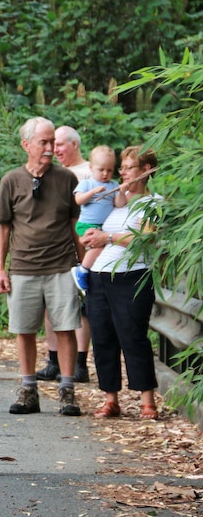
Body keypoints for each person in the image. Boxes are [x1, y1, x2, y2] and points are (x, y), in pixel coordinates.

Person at [0, 116, 84, 416]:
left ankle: (67, 390)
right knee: (24, 330)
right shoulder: (11, 180)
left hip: (61, 265)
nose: (49, 148)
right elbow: (3, 227)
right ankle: (28, 389)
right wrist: (1, 268)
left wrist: (84, 265)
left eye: (52, 142)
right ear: (26, 145)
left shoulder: (66, 179)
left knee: (66, 327)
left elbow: (76, 225)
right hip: (23, 267)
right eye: (43, 142)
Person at [81, 146, 160, 420]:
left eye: (129, 167)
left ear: (147, 171)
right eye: (122, 167)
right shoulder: (115, 199)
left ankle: (147, 400)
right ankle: (110, 398)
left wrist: (108, 238)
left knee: (133, 336)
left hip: (133, 275)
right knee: (102, 337)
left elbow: (145, 237)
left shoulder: (154, 203)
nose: (123, 172)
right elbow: (89, 221)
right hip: (99, 275)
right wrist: (91, 236)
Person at [37, 125, 93, 383]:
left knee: (80, 308)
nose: (54, 150)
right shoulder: (49, 172)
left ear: (74, 144)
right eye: (51, 144)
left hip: (83, 247)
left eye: (59, 145)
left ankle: (80, 363)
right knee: (50, 306)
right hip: (54, 250)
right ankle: (53, 360)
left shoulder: (90, 171)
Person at [71, 146, 128, 292]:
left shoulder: (113, 185)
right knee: (99, 245)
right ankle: (82, 270)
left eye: (109, 170)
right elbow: (78, 200)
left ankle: (89, 271)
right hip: (86, 224)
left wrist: (121, 192)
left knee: (103, 245)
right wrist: (92, 192)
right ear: (91, 167)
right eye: (101, 169)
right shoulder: (87, 183)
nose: (105, 174)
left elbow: (119, 204)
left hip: (102, 227)